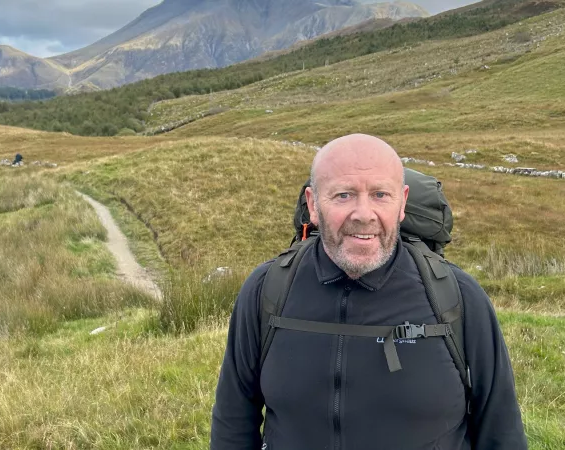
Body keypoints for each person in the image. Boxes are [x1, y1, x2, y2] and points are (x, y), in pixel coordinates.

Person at [210, 134, 527, 449]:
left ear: (401, 203)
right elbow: (233, 422)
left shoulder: (457, 297)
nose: (364, 214)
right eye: (344, 195)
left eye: (380, 194)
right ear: (313, 205)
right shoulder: (267, 290)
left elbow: (501, 431)